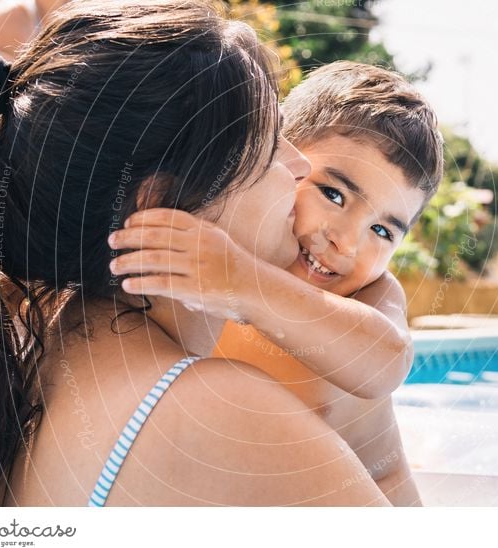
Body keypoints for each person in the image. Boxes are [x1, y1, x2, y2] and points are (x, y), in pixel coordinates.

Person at [0, 0, 390, 507]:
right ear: (163, 204)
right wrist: (374, 432)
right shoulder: (221, 414)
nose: (301, 167)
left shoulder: (32, 352)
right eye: (271, 143)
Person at [108, 62, 444, 506]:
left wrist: (245, 284)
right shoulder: (216, 249)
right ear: (282, 161)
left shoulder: (370, 296)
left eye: (382, 231)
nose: (344, 241)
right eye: (334, 195)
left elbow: (386, 361)